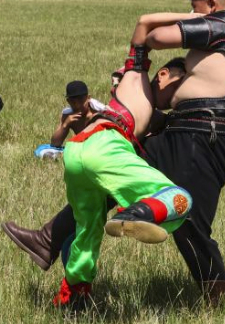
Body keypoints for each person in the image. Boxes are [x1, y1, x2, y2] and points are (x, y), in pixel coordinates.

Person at [2, 0, 225, 305]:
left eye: (195, 6)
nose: (192, 13)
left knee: (190, 223)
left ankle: (219, 299)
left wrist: (190, 19)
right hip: (184, 130)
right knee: (110, 175)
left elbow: (156, 37)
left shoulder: (224, 24)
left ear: (211, 4)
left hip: (203, 135)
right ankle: (48, 238)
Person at [47, 16, 194, 309]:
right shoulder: (136, 76)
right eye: (181, 83)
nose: (179, 95)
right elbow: (144, 23)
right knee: (180, 199)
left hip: (77, 153)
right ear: (163, 74)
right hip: (105, 145)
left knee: (87, 233)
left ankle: (73, 297)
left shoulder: (148, 104)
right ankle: (136, 213)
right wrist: (196, 19)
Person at [35, 81, 105, 159]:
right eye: (73, 102)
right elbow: (55, 143)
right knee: (42, 149)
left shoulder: (99, 114)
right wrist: (65, 125)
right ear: (68, 101)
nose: (77, 105)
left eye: (81, 101)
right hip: (81, 148)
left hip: (100, 148)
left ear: (88, 98)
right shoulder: (68, 115)